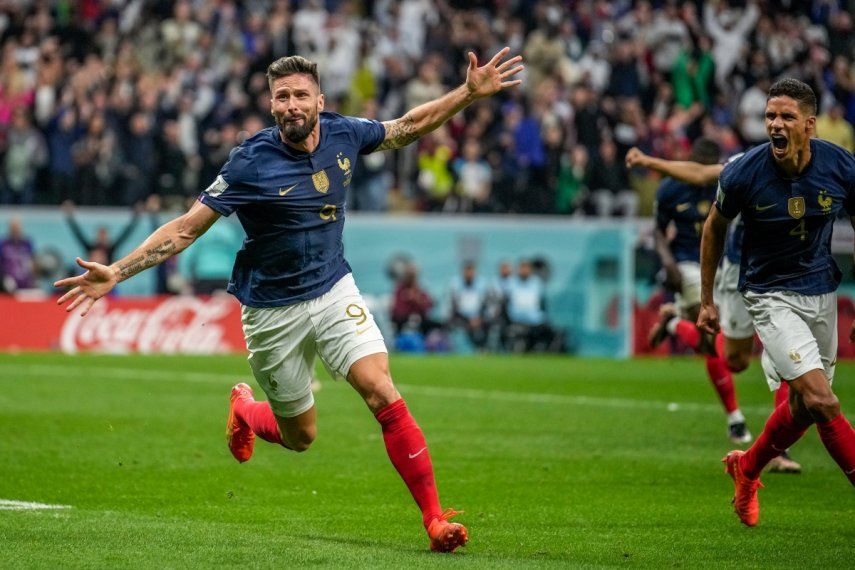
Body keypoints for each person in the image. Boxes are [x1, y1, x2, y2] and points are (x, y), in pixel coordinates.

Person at [54, 49, 524, 552]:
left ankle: (435, 520)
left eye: (301, 95)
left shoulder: (345, 133)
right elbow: (186, 229)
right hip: (272, 310)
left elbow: (407, 126)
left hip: (331, 288)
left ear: (319, 100)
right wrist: (118, 271)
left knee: (381, 390)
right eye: (283, 96)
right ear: (271, 105)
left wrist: (467, 94)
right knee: (301, 437)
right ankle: (244, 409)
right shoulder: (249, 162)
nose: (293, 104)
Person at [698, 78, 855, 527]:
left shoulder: (842, 168)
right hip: (768, 294)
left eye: (786, 117)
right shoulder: (744, 172)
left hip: (821, 290)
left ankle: (747, 468)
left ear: (810, 125)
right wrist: (707, 301)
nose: (775, 125)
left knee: (806, 409)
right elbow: (714, 228)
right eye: (770, 116)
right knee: (823, 401)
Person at [626, 145, 802, 472]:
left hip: (775, 269)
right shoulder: (739, 167)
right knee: (728, 356)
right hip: (704, 266)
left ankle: (781, 448)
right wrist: (648, 160)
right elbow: (672, 214)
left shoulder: (813, 167)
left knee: (785, 356)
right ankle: (736, 416)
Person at [635, 138, 752, 444]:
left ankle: (674, 323)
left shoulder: (727, 182)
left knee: (712, 345)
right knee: (713, 341)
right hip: (687, 265)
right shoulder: (672, 189)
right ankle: (735, 418)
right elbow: (659, 231)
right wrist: (669, 263)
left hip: (723, 265)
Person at [0, 217, 36, 293]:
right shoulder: (3, 244)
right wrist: (3, 279)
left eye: (17, 227)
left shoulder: (27, 243)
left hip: (26, 283)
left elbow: (32, 262)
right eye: (13, 227)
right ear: (9, 228)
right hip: (8, 285)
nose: (15, 230)